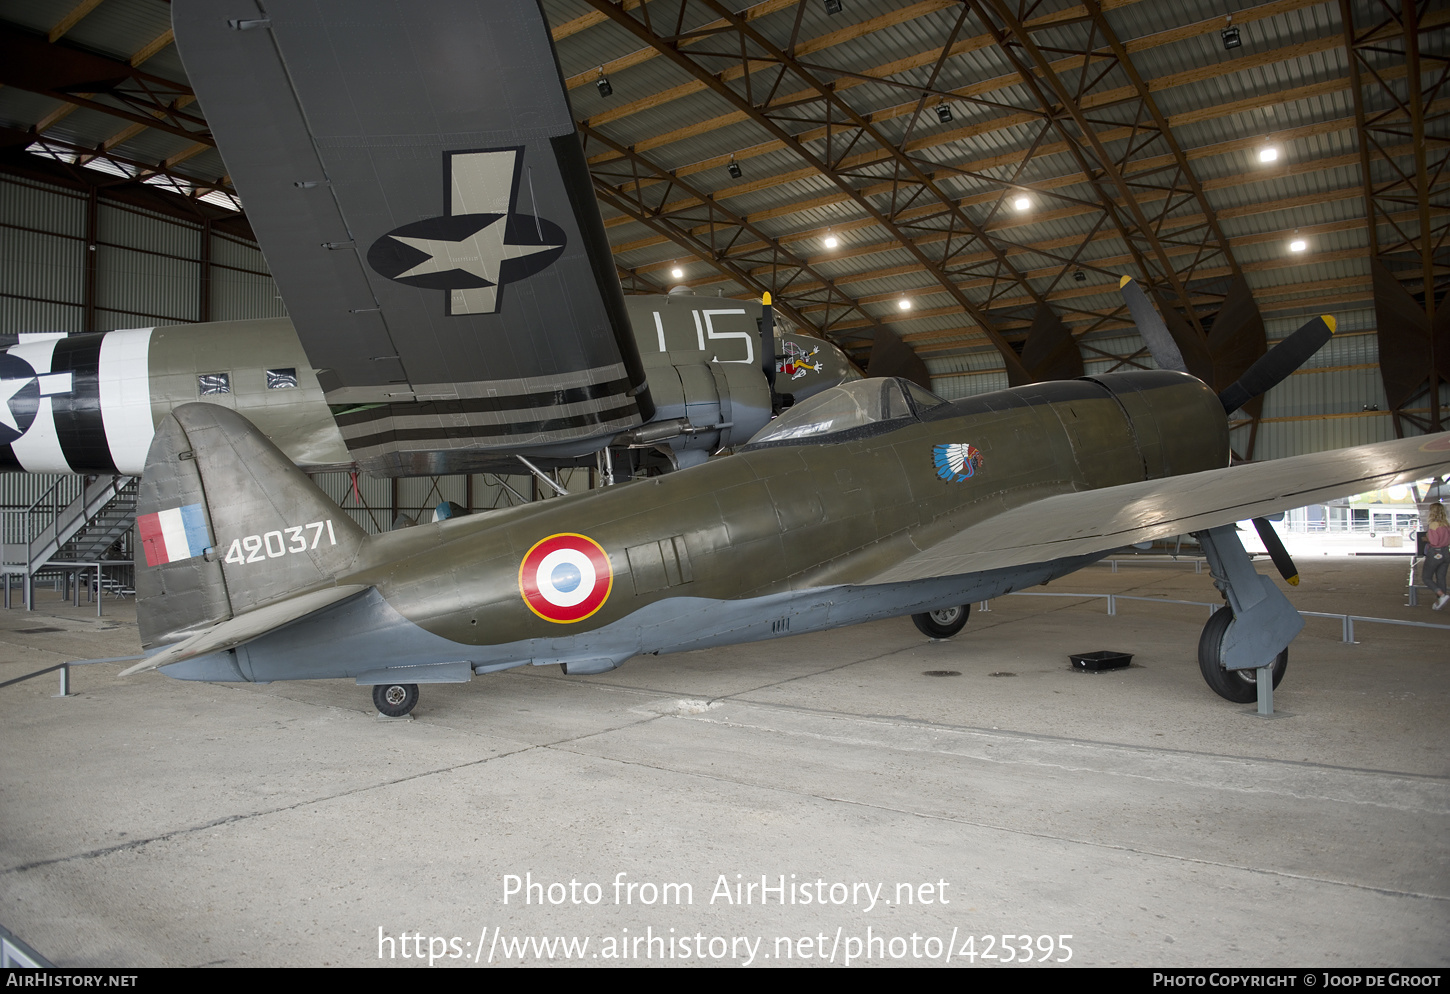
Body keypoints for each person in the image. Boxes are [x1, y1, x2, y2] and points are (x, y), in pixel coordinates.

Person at [1424, 503, 1450, 610]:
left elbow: (1434, 542)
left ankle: (1441, 595)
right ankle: (1440, 601)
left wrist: (1426, 539)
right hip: (1446, 552)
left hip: (1435, 552)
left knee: (1426, 577)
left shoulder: (1433, 525)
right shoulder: (1446, 524)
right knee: (1441, 577)